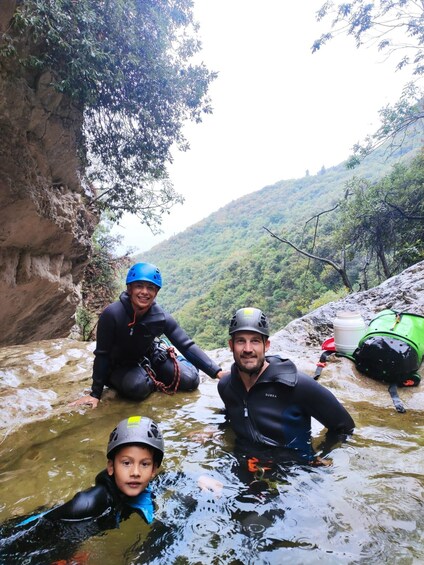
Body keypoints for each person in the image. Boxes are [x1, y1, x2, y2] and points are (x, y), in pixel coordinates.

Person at [0, 416, 164, 564]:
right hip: (28, 538)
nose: (135, 472)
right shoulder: (89, 503)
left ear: (153, 470)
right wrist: (65, 556)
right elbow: (47, 531)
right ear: (111, 467)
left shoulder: (139, 488)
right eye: (126, 463)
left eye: (144, 464)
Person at [71, 262, 223, 408]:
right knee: (138, 388)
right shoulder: (112, 314)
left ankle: (162, 367)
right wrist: (95, 393)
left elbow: (185, 344)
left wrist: (217, 372)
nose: (145, 292)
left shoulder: (160, 317)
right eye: (139, 286)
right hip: (118, 365)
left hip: (149, 356)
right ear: (129, 289)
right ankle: (144, 376)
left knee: (190, 380)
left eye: (150, 288)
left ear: (156, 292)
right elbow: (102, 354)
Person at [217, 307, 355, 464]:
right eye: (241, 341)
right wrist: (213, 432)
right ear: (231, 345)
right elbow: (234, 418)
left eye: (255, 340)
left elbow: (345, 428)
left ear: (266, 345)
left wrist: (323, 454)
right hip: (247, 465)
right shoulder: (227, 387)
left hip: (294, 473)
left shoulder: (298, 386)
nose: (248, 349)